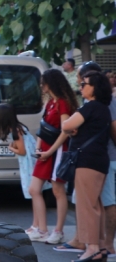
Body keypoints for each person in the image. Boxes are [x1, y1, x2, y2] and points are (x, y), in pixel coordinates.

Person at [55, 61, 116, 257]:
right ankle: (98, 246)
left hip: (88, 162)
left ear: (95, 88)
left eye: (84, 84)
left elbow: (66, 125)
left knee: (86, 206)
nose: (80, 86)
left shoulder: (91, 107)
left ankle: (91, 248)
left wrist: (73, 127)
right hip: (98, 161)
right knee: (95, 205)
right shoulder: (102, 108)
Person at [28, 69, 77, 244]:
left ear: (50, 83)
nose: (42, 86)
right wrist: (39, 148)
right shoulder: (50, 103)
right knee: (34, 189)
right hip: (46, 151)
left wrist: (50, 151)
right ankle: (41, 229)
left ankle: (58, 231)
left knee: (58, 190)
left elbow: (66, 130)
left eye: (44, 83)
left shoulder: (62, 103)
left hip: (57, 151)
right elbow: (44, 127)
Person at [0, 103, 41, 216]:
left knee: (33, 192)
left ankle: (37, 225)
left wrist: (11, 148)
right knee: (33, 193)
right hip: (30, 161)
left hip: (28, 163)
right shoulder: (18, 128)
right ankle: (35, 224)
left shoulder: (16, 131)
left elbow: (22, 151)